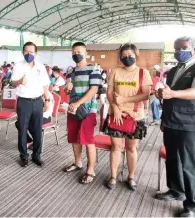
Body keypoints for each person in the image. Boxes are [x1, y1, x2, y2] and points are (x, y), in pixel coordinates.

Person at [155, 36, 195, 218]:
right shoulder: (172, 71)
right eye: (177, 49)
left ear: (192, 48)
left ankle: (191, 205)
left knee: (189, 164)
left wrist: (173, 93)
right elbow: (168, 92)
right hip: (170, 120)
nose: (180, 52)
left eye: (184, 48)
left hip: (189, 123)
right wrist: (160, 94)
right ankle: (175, 190)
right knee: (172, 158)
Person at [103, 44, 152, 191]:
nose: (127, 58)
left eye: (130, 55)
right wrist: (116, 108)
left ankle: (131, 177)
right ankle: (113, 175)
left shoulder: (143, 73)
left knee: (131, 148)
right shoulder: (116, 72)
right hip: (116, 115)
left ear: (136, 55)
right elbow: (110, 94)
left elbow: (145, 94)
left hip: (135, 116)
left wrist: (125, 101)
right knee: (116, 147)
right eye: (123, 56)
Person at [63, 42, 101, 185]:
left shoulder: (93, 69)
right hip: (73, 109)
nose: (76, 54)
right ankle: (78, 163)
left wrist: (78, 103)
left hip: (88, 110)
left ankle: (91, 169)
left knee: (88, 139)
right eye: (74, 52)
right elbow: (67, 91)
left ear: (86, 53)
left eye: (79, 51)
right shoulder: (70, 71)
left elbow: (93, 90)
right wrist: (67, 88)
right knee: (74, 138)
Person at [11, 42, 51, 167]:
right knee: (22, 129)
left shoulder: (40, 67)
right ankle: (24, 156)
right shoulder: (18, 66)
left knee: (38, 129)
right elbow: (13, 83)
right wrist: (19, 81)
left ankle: (36, 155)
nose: (29, 54)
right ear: (22, 53)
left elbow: (45, 85)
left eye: (31, 52)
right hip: (24, 102)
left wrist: (47, 100)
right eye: (26, 52)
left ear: (36, 53)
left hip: (38, 101)